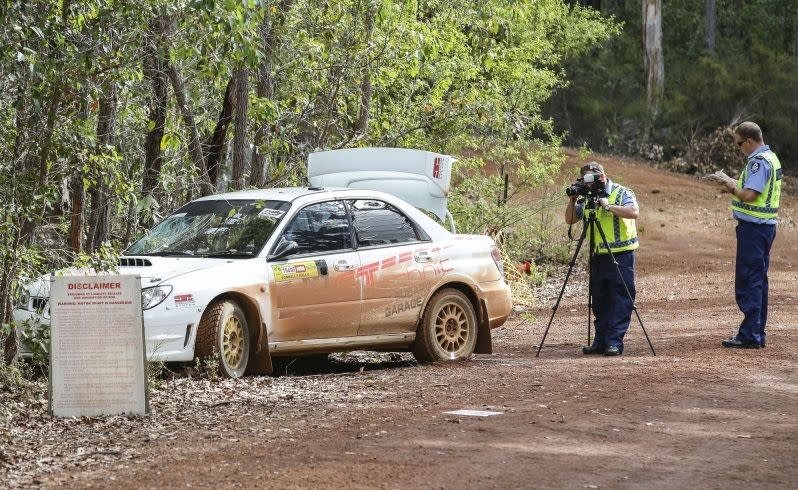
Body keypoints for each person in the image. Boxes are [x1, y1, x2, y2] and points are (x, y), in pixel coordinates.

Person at [712, 122, 781, 349]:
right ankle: (755, 332)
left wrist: (730, 186)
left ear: (749, 141)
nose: (739, 148)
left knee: (750, 280)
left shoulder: (759, 163)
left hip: (754, 229)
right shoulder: (771, 158)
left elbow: (750, 195)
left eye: (740, 144)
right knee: (759, 280)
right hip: (764, 228)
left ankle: (750, 334)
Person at [565, 162, 640, 356]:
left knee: (621, 299)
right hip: (598, 255)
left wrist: (609, 207)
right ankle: (600, 341)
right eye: (585, 180)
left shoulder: (621, 192)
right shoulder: (588, 197)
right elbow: (571, 219)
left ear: (602, 176)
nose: (588, 184)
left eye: (592, 179)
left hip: (622, 253)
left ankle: (614, 342)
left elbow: (634, 212)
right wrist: (573, 200)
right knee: (599, 299)